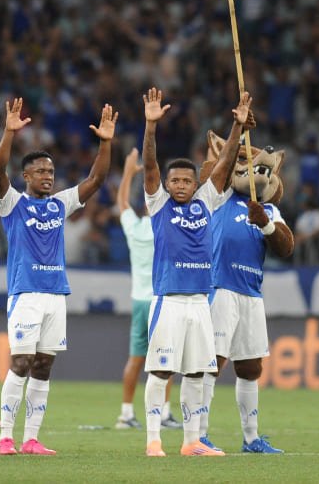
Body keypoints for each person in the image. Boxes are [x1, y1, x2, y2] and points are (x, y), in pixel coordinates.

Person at [0, 97, 117, 456]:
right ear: (26, 176)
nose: (47, 176)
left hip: (55, 294)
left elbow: (97, 179)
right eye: (40, 172)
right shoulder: (13, 203)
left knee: (44, 366)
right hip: (26, 294)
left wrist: (105, 142)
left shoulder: (60, 204)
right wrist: (9, 133)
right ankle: (5, 437)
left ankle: (31, 439)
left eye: (50, 172)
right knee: (21, 362)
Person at [141, 87, 250, 458]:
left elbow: (224, 166)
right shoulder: (158, 204)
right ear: (167, 185)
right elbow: (150, 165)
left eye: (187, 181)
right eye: (176, 182)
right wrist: (151, 127)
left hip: (201, 302)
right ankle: (153, 439)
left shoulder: (207, 200)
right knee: (160, 371)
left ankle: (191, 442)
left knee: (198, 374)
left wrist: (236, 127)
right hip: (169, 301)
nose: (182, 186)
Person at [205, 136, 295, 454]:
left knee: (250, 368)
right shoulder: (219, 197)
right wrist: (239, 128)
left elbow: (286, 248)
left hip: (251, 294)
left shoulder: (268, 209)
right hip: (221, 288)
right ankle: (198, 435)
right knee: (211, 362)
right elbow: (218, 166)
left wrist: (267, 225)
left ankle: (251, 438)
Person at [113, 148, 178, 431]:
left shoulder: (134, 227)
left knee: (135, 359)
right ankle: (163, 413)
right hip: (160, 300)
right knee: (166, 358)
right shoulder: (165, 228)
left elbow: (121, 203)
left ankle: (126, 414)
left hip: (138, 300)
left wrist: (128, 173)